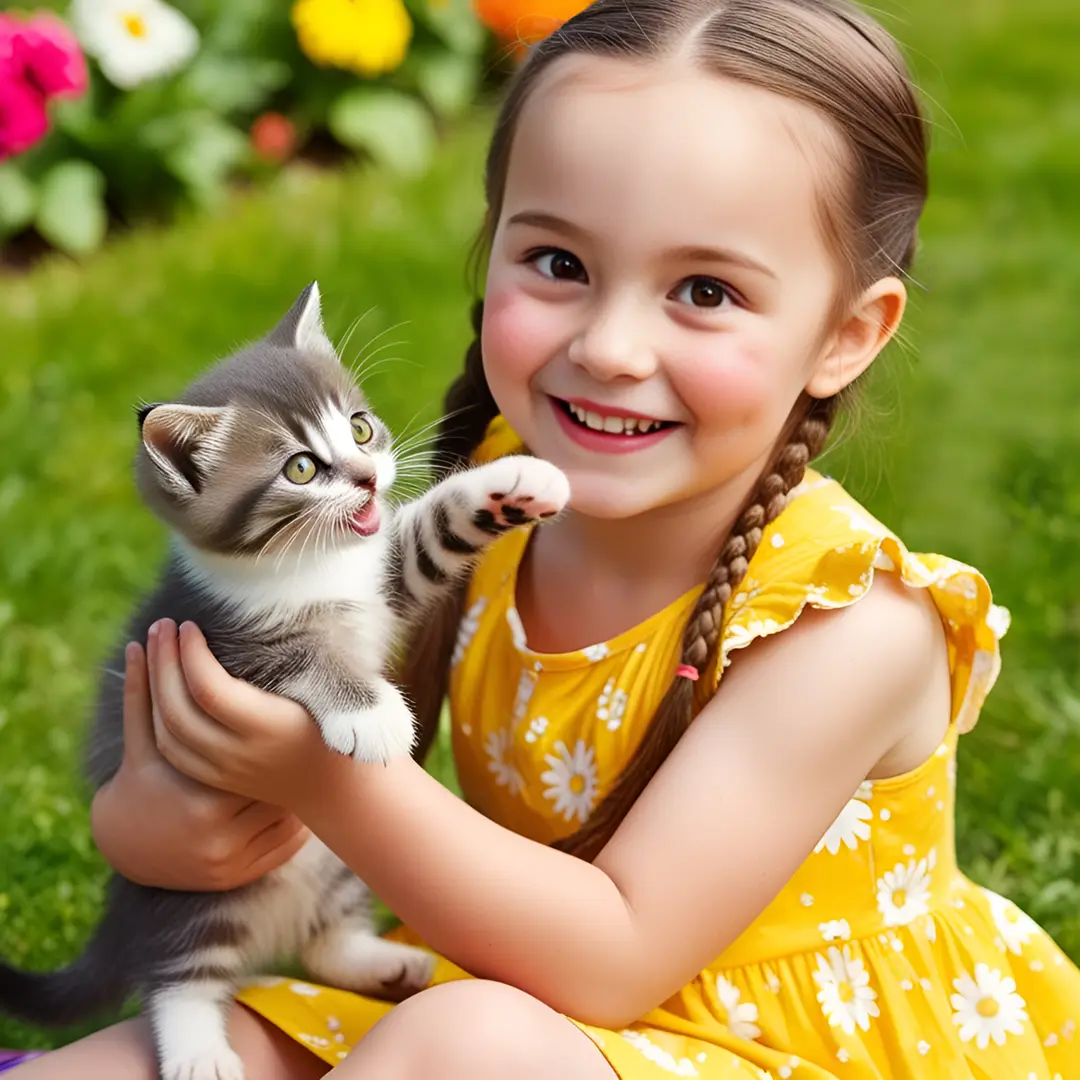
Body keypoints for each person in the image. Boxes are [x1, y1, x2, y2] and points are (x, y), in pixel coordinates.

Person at [17, 0, 1080, 1076]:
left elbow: (616, 961)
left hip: (760, 1049)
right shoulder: (489, 501)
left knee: (463, 1042)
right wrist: (155, 825)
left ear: (846, 335)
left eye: (704, 291)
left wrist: (323, 780)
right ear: (492, 252)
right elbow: (225, 797)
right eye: (560, 264)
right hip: (520, 987)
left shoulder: (851, 625)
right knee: (155, 1058)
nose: (612, 347)